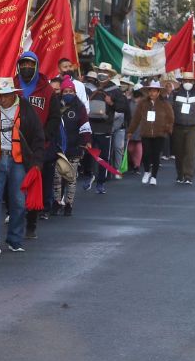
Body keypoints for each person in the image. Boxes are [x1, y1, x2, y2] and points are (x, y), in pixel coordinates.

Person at [0, 78, 44, 254]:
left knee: (19, 201)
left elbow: (38, 136)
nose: (2, 99)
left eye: (5, 96)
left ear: (13, 94)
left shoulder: (27, 109)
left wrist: (36, 162)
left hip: (19, 161)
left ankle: (15, 239)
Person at [15, 52, 57, 238]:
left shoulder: (47, 91)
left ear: (37, 66)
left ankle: (31, 223)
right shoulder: (12, 87)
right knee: (14, 184)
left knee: (33, 184)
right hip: (15, 144)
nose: (26, 67)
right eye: (23, 64)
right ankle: (14, 216)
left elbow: (55, 117)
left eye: (30, 64)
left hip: (37, 147)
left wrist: (44, 135)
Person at [50, 76, 91, 215]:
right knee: (57, 177)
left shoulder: (80, 107)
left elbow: (85, 126)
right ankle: (56, 203)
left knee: (71, 178)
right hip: (59, 148)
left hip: (75, 147)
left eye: (70, 91)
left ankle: (69, 204)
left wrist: (85, 142)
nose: (68, 93)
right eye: (65, 91)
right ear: (61, 92)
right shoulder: (55, 105)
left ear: (74, 92)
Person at [84, 63, 127, 194]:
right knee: (87, 155)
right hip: (89, 128)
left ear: (110, 76)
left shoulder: (115, 90)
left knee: (103, 157)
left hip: (105, 128)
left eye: (105, 72)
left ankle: (101, 182)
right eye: (101, 71)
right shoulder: (90, 88)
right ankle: (89, 175)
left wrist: (111, 103)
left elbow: (123, 107)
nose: (102, 74)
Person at [128, 81, 173, 186]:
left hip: (159, 133)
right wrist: (130, 131)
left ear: (158, 92)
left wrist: (167, 129)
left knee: (156, 155)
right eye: (150, 91)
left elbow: (171, 117)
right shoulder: (143, 103)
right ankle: (147, 171)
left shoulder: (165, 103)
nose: (152, 93)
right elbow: (136, 118)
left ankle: (154, 176)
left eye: (154, 91)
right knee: (146, 153)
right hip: (146, 132)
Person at [170, 72, 195, 185]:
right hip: (177, 126)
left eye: (190, 81)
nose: (187, 83)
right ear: (182, 81)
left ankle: (188, 176)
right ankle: (180, 174)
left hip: (193, 127)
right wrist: (169, 125)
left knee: (190, 152)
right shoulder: (175, 93)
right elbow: (170, 110)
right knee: (179, 152)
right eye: (185, 81)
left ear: (193, 82)